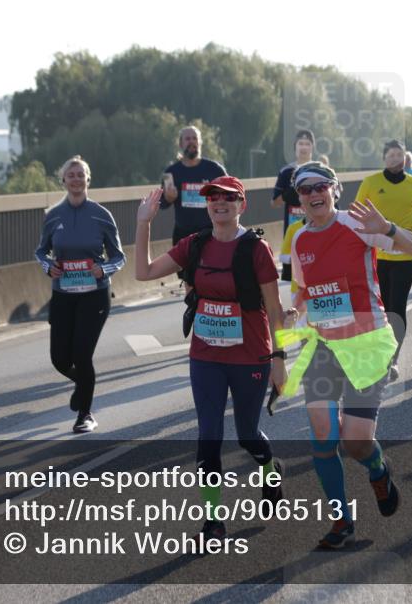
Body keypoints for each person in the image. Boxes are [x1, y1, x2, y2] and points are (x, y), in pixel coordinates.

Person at [277, 161, 412, 549]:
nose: (313, 194)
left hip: (367, 343)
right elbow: (305, 289)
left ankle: (378, 469)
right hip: (324, 345)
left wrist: (388, 229)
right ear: (298, 198)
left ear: (334, 190)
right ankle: (341, 521)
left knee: (356, 443)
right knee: (324, 438)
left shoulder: (357, 223)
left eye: (320, 187)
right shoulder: (298, 238)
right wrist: (295, 310)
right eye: (305, 189)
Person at [135, 175, 286, 546]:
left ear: (241, 206)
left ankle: (270, 469)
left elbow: (274, 307)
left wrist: (279, 358)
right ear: (207, 205)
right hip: (206, 355)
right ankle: (213, 521)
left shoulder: (255, 249)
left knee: (248, 435)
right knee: (209, 437)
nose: (220, 203)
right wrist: (144, 223)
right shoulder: (196, 245)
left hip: (250, 353)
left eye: (228, 199)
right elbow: (144, 272)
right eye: (213, 198)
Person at [35, 156, 125, 433]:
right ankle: (83, 384)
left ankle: (85, 413)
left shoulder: (101, 214)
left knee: (82, 354)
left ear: (88, 179)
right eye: (70, 175)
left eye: (80, 175)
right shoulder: (53, 215)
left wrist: (104, 269)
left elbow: (119, 256)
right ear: (63, 181)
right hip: (63, 294)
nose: (75, 179)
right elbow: (41, 251)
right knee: (60, 359)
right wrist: (49, 266)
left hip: (94, 295)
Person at [355, 140, 412, 381]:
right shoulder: (371, 182)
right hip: (377, 255)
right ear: (384, 158)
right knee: (382, 308)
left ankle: (393, 359)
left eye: (399, 154)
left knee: (397, 306)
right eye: (391, 154)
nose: (396, 158)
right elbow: (358, 212)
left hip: (404, 254)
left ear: (405, 159)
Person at [160, 125, 228, 245]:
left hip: (210, 233)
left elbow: (231, 197)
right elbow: (162, 204)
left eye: (194, 138)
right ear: (180, 144)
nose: (191, 141)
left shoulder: (214, 169)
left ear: (200, 142)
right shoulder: (171, 172)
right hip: (182, 235)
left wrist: (215, 195)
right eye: (187, 139)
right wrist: (168, 198)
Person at [272, 129, 316, 234]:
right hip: (292, 230)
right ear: (295, 147)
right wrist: (286, 195)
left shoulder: (320, 171)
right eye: (300, 144)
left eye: (307, 144)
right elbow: (274, 204)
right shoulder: (286, 171)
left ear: (312, 148)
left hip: (315, 228)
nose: (304, 147)